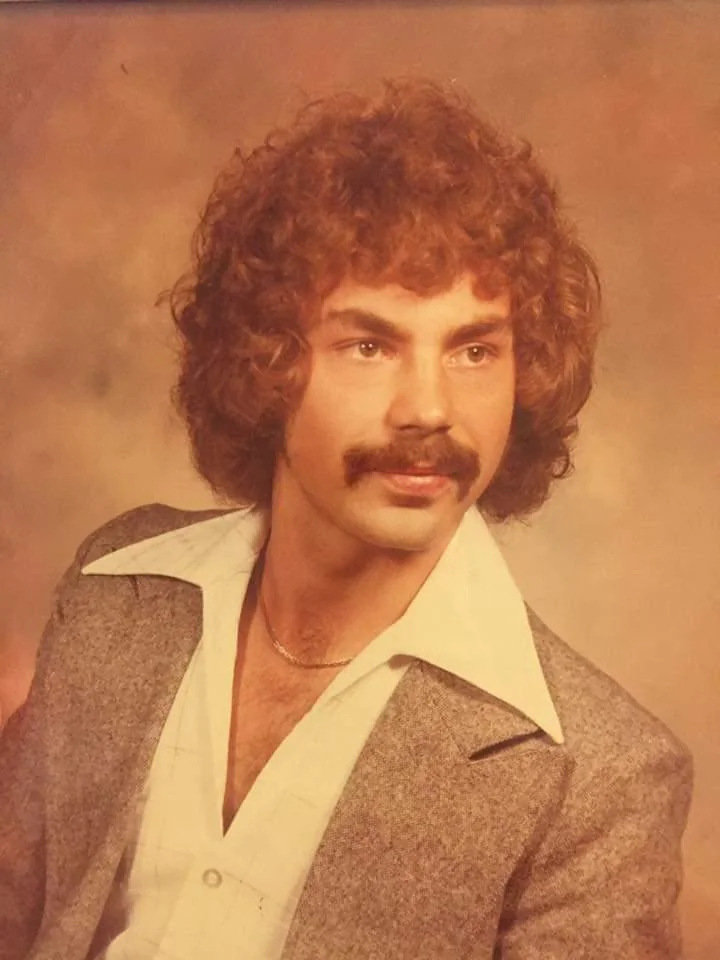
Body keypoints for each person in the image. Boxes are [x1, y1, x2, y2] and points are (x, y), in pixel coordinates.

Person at [0, 79, 692, 960]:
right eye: (370, 345)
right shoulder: (116, 589)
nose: (429, 410)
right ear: (266, 364)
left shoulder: (599, 781)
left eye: (475, 349)